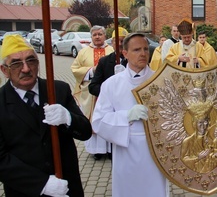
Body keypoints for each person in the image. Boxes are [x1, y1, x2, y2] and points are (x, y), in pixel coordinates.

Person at [0, 34, 92, 196]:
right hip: (25, 190)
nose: (26, 69)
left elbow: (85, 132)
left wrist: (68, 118)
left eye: (31, 60)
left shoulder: (58, 90)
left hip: (67, 187)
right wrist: (42, 184)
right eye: (16, 64)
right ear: (4, 70)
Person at [91, 33, 168, 197]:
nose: (143, 53)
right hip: (125, 151)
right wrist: (126, 116)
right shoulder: (112, 84)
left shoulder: (160, 81)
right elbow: (98, 121)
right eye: (137, 49)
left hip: (155, 151)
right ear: (124, 53)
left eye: (146, 49)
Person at [71, 25, 113, 160]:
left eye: (100, 34)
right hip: (90, 92)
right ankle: (96, 150)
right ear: (91, 37)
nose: (97, 37)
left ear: (105, 36)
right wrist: (91, 71)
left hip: (108, 91)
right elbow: (75, 69)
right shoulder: (83, 52)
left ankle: (109, 148)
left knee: (108, 117)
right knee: (93, 118)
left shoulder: (111, 50)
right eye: (94, 35)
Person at [87, 27, 129, 160]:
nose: (120, 44)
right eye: (118, 41)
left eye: (123, 41)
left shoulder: (134, 62)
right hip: (110, 108)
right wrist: (109, 91)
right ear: (112, 43)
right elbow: (93, 86)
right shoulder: (104, 61)